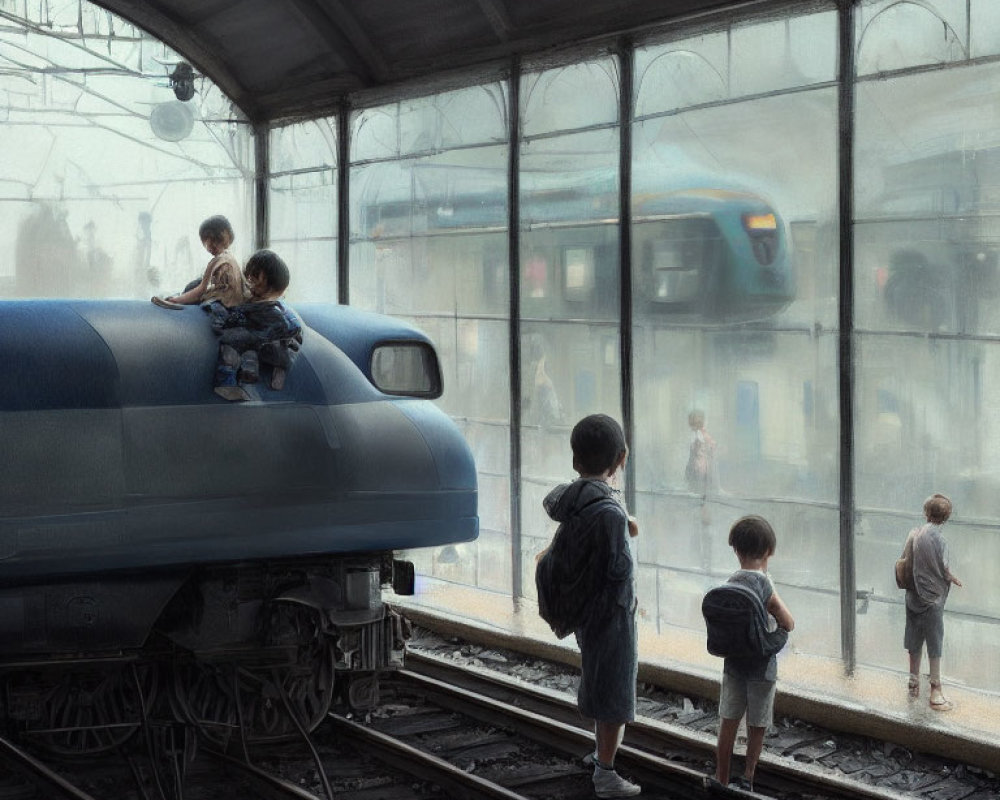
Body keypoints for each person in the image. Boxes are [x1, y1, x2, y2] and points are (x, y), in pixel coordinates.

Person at [541, 414, 640, 798]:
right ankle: (606, 773)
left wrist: (621, 519)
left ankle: (599, 755)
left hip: (583, 611)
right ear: (622, 458)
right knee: (615, 693)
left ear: (575, 460)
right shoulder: (610, 513)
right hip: (611, 615)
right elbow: (618, 569)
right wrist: (623, 528)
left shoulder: (572, 498)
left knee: (597, 678)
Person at [711, 515, 794, 793]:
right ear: (769, 551)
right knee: (756, 723)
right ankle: (747, 777)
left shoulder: (730, 582)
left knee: (728, 722)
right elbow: (789, 622)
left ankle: (721, 778)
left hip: (733, 666)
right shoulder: (764, 585)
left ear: (736, 550)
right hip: (762, 669)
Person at [205, 249, 303, 401]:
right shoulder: (256, 302)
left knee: (236, 343)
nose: (252, 283)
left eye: (257, 279)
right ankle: (232, 380)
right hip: (266, 344)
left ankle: (230, 380)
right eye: (251, 278)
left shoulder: (276, 310)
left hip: (273, 344)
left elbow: (290, 329)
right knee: (240, 344)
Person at [904, 493, 963, 711]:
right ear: (946, 517)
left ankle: (913, 683)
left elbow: (906, 562)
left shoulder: (915, 533)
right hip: (933, 600)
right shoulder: (940, 539)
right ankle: (935, 688)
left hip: (913, 597)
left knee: (914, 640)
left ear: (926, 512)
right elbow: (944, 569)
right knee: (934, 642)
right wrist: (952, 578)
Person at [153, 214, 248, 309]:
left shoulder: (218, 260)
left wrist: (175, 301)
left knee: (194, 288)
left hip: (222, 305)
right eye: (206, 241)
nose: (208, 246)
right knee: (195, 284)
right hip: (235, 305)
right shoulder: (232, 259)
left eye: (212, 240)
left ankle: (175, 300)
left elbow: (201, 290)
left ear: (223, 237)